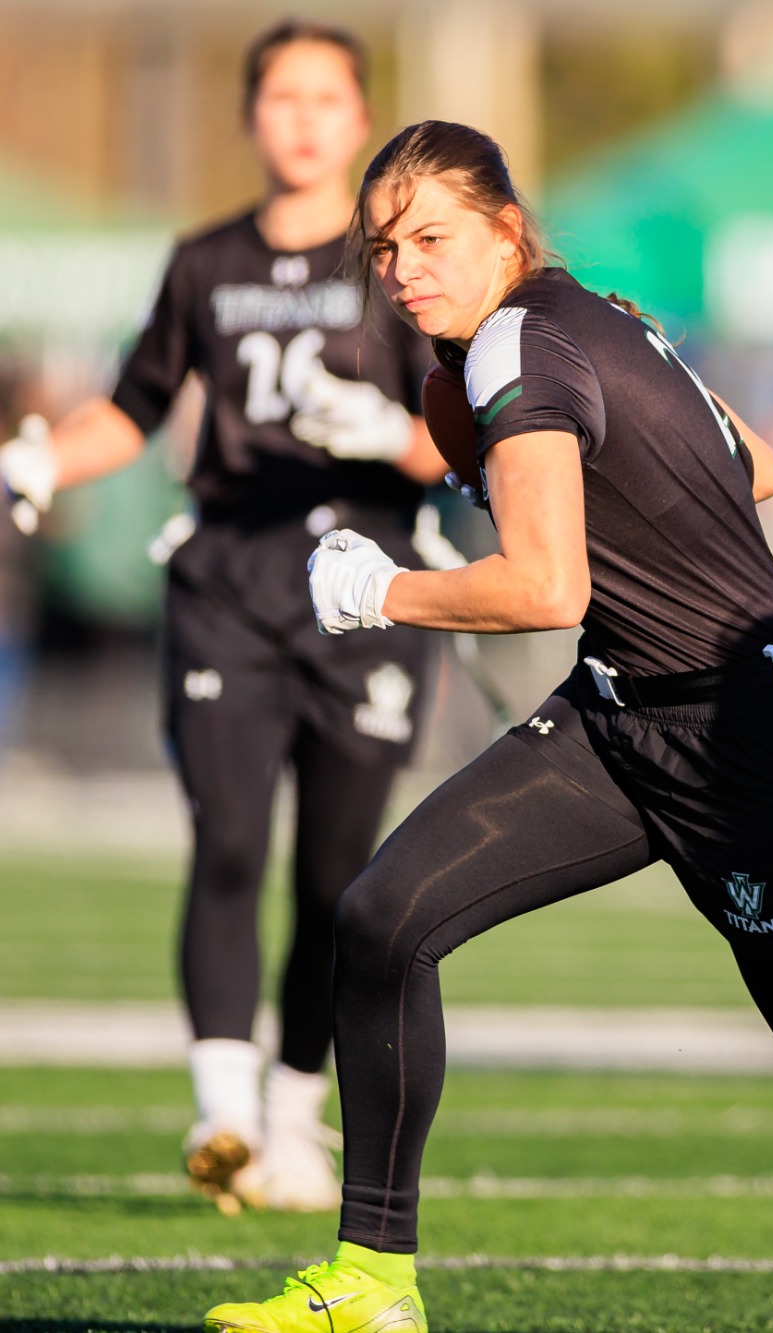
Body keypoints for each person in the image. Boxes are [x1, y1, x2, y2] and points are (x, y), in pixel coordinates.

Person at [200, 119, 773, 1333]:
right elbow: (752, 465)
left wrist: (382, 592)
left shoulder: (514, 349)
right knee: (382, 920)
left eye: (430, 238)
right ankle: (373, 1282)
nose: (403, 270)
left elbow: (546, 589)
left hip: (757, 734)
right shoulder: (557, 332)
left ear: (504, 227)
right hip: (622, 712)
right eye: (383, 250)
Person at [0, 21, 444, 1214]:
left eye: (324, 98)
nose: (301, 118)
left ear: (358, 121)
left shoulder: (398, 266)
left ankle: (296, 1113)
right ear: (252, 117)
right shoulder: (201, 261)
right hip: (229, 592)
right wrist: (42, 457)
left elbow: (462, 440)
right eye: (280, 97)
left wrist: (388, 437)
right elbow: (134, 406)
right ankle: (223, 1113)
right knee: (231, 840)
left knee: (339, 878)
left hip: (369, 594)